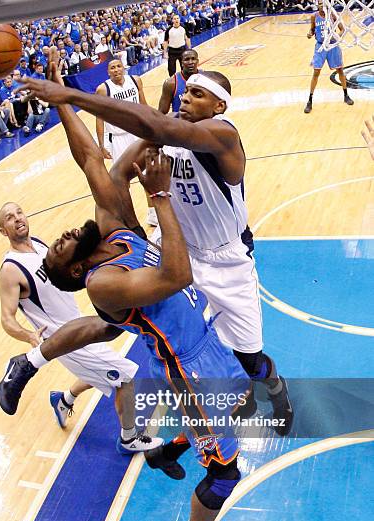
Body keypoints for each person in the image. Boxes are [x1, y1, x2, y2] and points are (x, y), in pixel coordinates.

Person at [0, 52, 251, 521]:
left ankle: (162, 448)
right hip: (188, 369)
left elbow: (89, 157)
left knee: (244, 400)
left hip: (204, 342)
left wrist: (64, 93)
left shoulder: (112, 227)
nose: (61, 237)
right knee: (227, 470)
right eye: (59, 252)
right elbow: (177, 274)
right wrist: (159, 196)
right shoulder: (102, 284)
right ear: (72, 271)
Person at [16, 69, 293, 437]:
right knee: (119, 321)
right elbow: (106, 171)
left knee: (249, 359)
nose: (186, 98)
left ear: (218, 106)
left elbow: (157, 126)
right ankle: (30, 363)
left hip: (227, 262)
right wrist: (65, 104)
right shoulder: (164, 137)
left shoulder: (223, 133)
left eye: (196, 94)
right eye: (185, 91)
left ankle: (275, 387)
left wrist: (70, 97)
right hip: (180, 253)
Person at [0, 202, 162, 453]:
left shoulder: (40, 246)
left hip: (79, 327)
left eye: (19, 212)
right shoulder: (11, 269)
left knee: (102, 371)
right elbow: (6, 319)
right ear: (3, 230)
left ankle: (64, 400)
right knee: (124, 378)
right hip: (63, 341)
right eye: (9, 218)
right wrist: (28, 335)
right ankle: (129, 438)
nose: (17, 218)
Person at [95, 58, 157, 226]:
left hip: (138, 133)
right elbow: (99, 118)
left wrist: (153, 124)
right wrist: (101, 145)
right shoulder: (103, 89)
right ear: (108, 72)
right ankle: (128, 218)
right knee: (121, 180)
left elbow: (143, 104)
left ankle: (153, 212)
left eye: (118, 66)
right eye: (112, 68)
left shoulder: (135, 80)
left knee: (148, 172)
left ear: (124, 68)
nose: (116, 70)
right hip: (119, 137)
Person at [304, 1, 354, 114]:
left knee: (340, 70)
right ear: (317, 5)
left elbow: (342, 29)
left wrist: (337, 37)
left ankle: (346, 95)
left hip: (332, 46)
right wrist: (310, 33)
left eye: (323, 3)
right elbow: (312, 29)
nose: (321, 5)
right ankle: (309, 100)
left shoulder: (332, 15)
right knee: (316, 72)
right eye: (320, 3)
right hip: (320, 46)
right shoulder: (314, 16)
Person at [158, 49, 199, 114]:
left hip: (201, 122)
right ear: (182, 63)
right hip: (181, 123)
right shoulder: (171, 83)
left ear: (197, 61)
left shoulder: (205, 78)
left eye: (193, 59)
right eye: (187, 59)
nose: (190, 62)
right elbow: (161, 112)